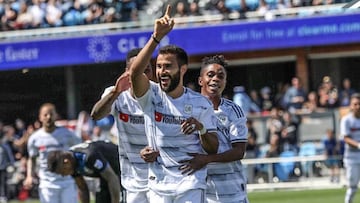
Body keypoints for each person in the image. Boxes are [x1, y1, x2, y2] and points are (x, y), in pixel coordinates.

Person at [130, 5, 219, 202]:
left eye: (168, 66)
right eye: (159, 66)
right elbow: (135, 73)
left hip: (190, 184)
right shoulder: (150, 95)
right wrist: (156, 38)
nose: (162, 71)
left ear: (183, 69)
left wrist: (201, 128)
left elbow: (213, 148)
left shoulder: (200, 103)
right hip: (158, 185)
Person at [181, 55, 249, 202]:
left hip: (232, 192)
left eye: (221, 76)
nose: (215, 79)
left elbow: (239, 151)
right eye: (210, 75)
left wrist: (206, 160)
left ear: (225, 82)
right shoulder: (188, 109)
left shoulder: (233, 110)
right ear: (200, 80)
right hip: (199, 190)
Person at [91, 47, 154, 203]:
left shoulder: (161, 95)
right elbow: (97, 114)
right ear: (127, 72)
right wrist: (116, 92)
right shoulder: (116, 95)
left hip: (161, 179)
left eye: (147, 70)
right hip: (133, 182)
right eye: (138, 70)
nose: (144, 75)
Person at [23, 103, 81, 203]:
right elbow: (31, 158)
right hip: (47, 184)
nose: (48, 117)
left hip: (67, 182)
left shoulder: (68, 134)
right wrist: (29, 176)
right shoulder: (35, 138)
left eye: (51, 114)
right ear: (40, 117)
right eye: (45, 115)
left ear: (56, 116)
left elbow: (80, 150)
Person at [47, 140, 121, 203]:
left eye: (61, 172)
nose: (63, 175)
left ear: (66, 162)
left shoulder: (88, 157)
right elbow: (82, 188)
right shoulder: (72, 164)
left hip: (122, 169)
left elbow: (112, 178)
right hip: (107, 176)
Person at [340, 93, 360, 203]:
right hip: (352, 158)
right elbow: (346, 138)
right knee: (352, 187)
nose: (358, 106)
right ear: (351, 106)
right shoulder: (346, 120)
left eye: (359, 104)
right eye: (355, 104)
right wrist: (358, 145)